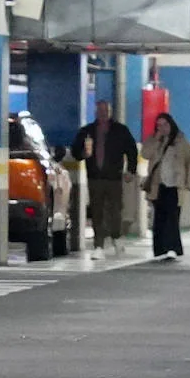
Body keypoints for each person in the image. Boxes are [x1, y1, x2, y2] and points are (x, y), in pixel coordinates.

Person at [71, 100, 138, 261]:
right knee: (97, 212)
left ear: (110, 112)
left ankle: (116, 237)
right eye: (100, 110)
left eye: (106, 110)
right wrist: (83, 154)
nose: (103, 113)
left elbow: (132, 151)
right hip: (95, 178)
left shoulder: (120, 130)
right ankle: (98, 245)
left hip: (114, 177)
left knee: (115, 210)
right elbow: (75, 151)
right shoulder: (86, 132)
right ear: (96, 112)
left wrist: (131, 171)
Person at [140, 112, 190, 261]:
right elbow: (145, 154)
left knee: (172, 218)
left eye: (165, 125)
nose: (162, 128)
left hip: (175, 186)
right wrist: (155, 139)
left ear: (171, 124)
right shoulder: (154, 141)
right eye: (159, 125)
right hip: (157, 185)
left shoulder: (181, 141)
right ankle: (159, 249)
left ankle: (173, 248)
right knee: (159, 218)